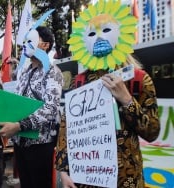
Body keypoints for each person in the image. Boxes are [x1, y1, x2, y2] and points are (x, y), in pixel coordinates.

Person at [55, 2, 160, 187]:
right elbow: (66, 128)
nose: (99, 38)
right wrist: (63, 169)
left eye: (106, 30)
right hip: (86, 177)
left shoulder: (138, 79)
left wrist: (127, 99)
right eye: (92, 34)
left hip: (126, 178)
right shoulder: (78, 82)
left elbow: (152, 132)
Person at [0, 26, 63, 188]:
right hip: (20, 142)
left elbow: (50, 108)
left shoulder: (52, 71)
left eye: (30, 41)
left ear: (45, 45)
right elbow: (16, 102)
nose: (24, 45)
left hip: (40, 144)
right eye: (24, 41)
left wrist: (19, 125)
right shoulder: (24, 73)